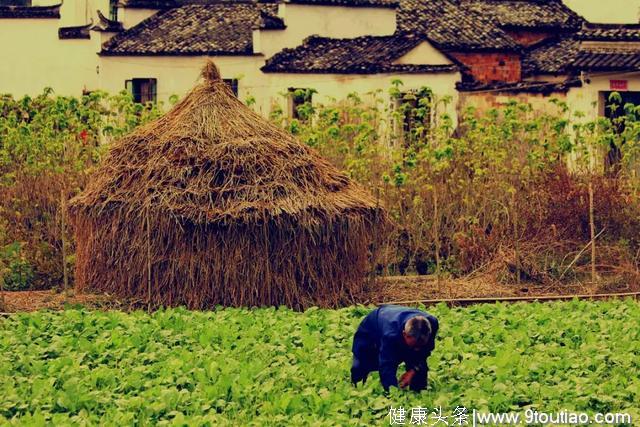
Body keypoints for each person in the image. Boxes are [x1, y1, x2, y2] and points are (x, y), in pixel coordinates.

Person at [351, 304, 438, 392]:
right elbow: (387, 366)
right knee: (360, 363)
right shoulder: (391, 335)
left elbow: (425, 352)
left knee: (418, 363)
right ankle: (357, 390)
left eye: (421, 345)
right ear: (404, 334)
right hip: (373, 325)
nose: (417, 349)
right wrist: (393, 393)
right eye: (414, 345)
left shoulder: (432, 324)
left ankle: (419, 393)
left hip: (397, 317)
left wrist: (413, 371)